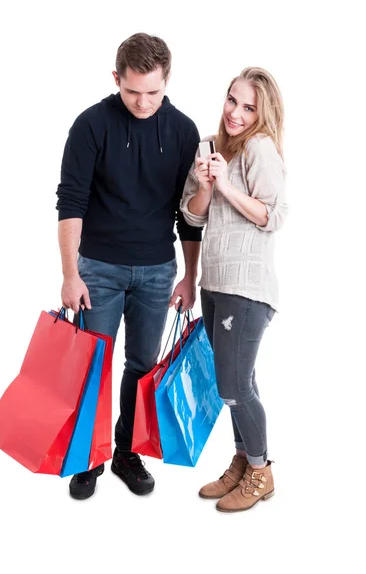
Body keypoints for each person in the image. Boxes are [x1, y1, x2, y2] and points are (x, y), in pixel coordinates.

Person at [56, 33, 202, 500]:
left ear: (167, 81)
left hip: (158, 270)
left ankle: (124, 452)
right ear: (116, 79)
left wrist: (189, 276)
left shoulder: (183, 131)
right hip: (98, 267)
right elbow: (70, 203)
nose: (143, 102)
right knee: (92, 366)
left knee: (142, 367)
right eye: (132, 90)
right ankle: (88, 457)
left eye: (153, 92)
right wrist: (70, 274)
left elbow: (189, 215)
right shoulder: (91, 125)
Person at [180, 67, 287, 512]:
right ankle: (244, 461)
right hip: (215, 284)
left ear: (262, 115)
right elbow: (193, 216)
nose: (236, 113)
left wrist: (225, 184)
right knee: (238, 381)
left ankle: (261, 471)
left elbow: (274, 215)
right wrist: (207, 186)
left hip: (247, 288)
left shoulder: (260, 149)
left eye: (248, 107)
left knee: (233, 385)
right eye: (232, 101)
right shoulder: (210, 146)